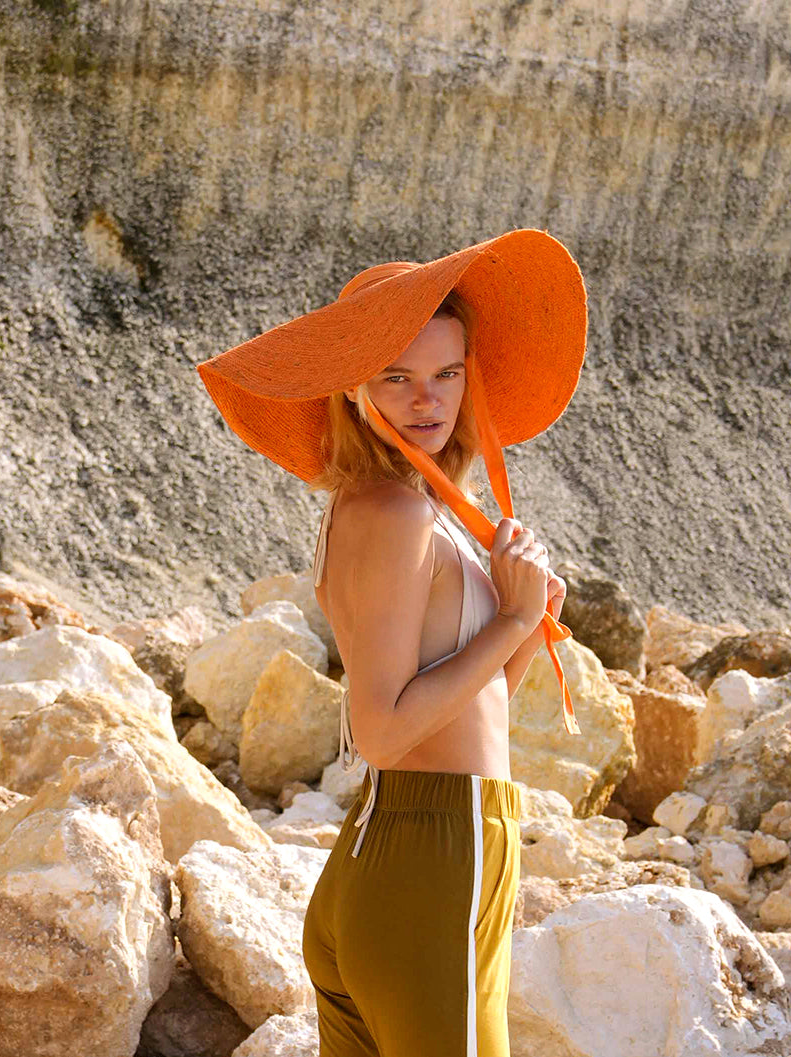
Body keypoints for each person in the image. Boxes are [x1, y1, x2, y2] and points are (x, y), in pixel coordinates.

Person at [197, 229, 588, 1057]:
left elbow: (458, 708)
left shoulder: (401, 508)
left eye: (447, 373)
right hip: (432, 863)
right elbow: (379, 730)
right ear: (353, 391)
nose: (428, 398)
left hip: (404, 854)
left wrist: (517, 621)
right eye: (397, 377)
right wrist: (513, 620)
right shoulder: (395, 513)